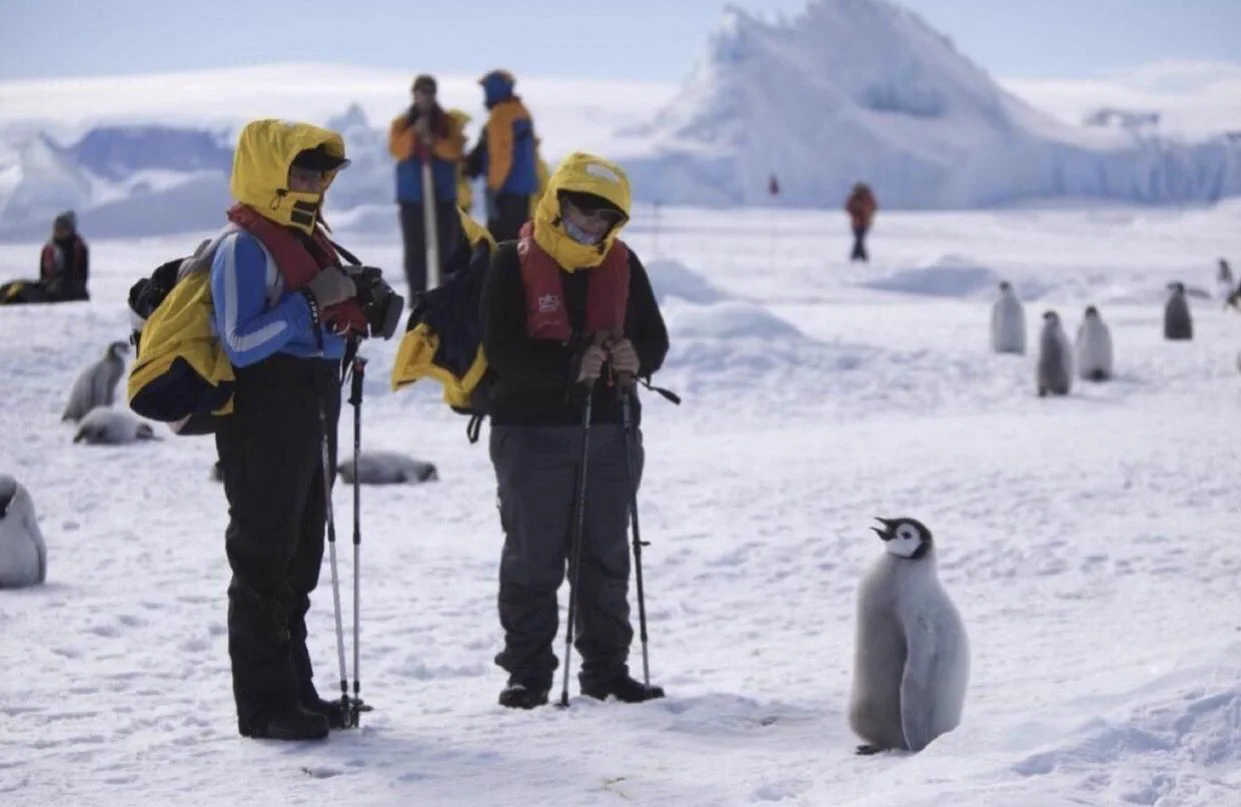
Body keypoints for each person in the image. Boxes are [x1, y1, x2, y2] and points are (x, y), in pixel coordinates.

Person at [480, 152, 669, 709]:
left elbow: (654, 339)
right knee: (533, 557)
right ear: (557, 203)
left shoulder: (625, 265)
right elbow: (502, 351)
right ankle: (527, 673)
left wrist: (640, 357)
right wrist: (568, 366)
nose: (592, 228)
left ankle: (607, 670)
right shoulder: (507, 262)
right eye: (583, 215)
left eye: (604, 221)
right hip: (530, 433)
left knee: (606, 555)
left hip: (611, 427)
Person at [211, 119, 370, 740]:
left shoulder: (312, 241)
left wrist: (358, 314)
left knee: (301, 554)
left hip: (313, 400)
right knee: (262, 554)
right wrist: (310, 306)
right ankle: (264, 704)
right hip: (263, 409)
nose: (314, 183)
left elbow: (320, 327)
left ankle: (296, 692)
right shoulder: (242, 248)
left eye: (321, 173)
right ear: (270, 172)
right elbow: (241, 341)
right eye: (302, 171)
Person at [389, 74, 465, 299]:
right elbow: (397, 150)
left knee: (446, 248)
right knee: (415, 250)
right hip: (412, 196)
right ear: (414, 95)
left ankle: (446, 294)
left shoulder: (448, 122)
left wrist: (433, 141)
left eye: (429, 92)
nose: (425, 97)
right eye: (421, 92)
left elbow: (454, 150)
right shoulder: (401, 124)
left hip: (442, 195)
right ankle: (418, 296)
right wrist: (415, 133)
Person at [463, 70, 537, 242]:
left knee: (501, 243)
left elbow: (501, 154)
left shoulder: (501, 115)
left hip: (506, 191)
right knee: (518, 241)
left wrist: (494, 186)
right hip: (522, 190)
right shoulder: (521, 111)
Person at [0, 211, 90, 304]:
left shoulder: (77, 248)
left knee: (56, 287)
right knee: (16, 286)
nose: (59, 230)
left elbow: (81, 276)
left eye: (63, 227)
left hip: (69, 289)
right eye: (57, 227)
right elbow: (43, 275)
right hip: (48, 287)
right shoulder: (49, 248)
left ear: (71, 229)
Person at [447, 109, 475, 215]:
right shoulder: (452, 150)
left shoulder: (457, 150)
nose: (463, 131)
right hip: (458, 202)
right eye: (462, 126)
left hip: (462, 201)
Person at [845, 182, 878, 262]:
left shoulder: (867, 197)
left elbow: (873, 208)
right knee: (859, 239)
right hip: (857, 222)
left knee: (860, 239)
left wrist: (862, 209)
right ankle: (860, 256)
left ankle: (857, 256)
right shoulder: (855, 197)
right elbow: (848, 207)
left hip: (863, 222)